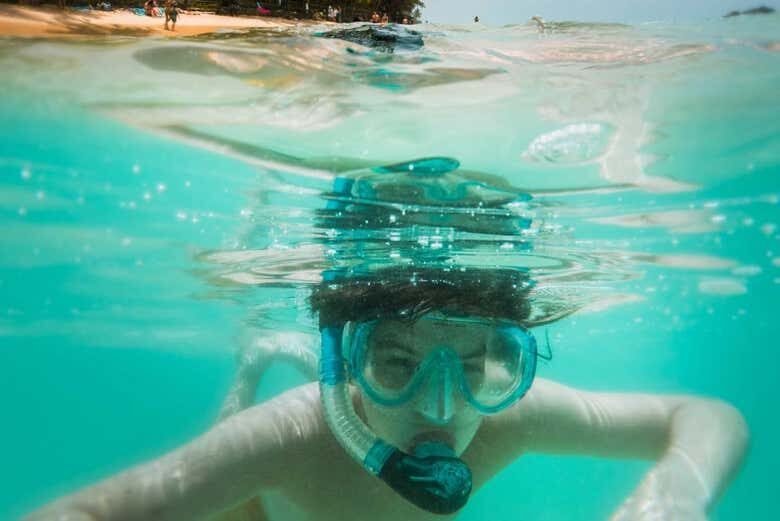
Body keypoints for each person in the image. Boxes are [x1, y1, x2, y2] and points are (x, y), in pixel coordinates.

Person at [25, 158, 748, 521]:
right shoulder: (284, 439)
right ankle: (255, 366)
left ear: (506, 364)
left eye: (474, 367)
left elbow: (710, 419)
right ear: (347, 355)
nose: (442, 405)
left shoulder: (506, 416)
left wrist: (673, 494)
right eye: (397, 361)